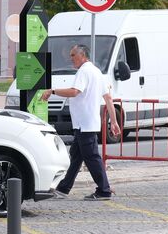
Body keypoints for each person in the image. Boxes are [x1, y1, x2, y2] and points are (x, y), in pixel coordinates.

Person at [41, 44, 120, 200]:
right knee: (76, 157)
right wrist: (115, 122)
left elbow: (75, 91)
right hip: (86, 123)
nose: (70, 58)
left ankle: (104, 190)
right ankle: (64, 188)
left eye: (73, 55)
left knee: (92, 158)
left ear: (82, 55)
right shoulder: (97, 72)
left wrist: (53, 91)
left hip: (85, 124)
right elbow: (108, 98)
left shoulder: (83, 71)